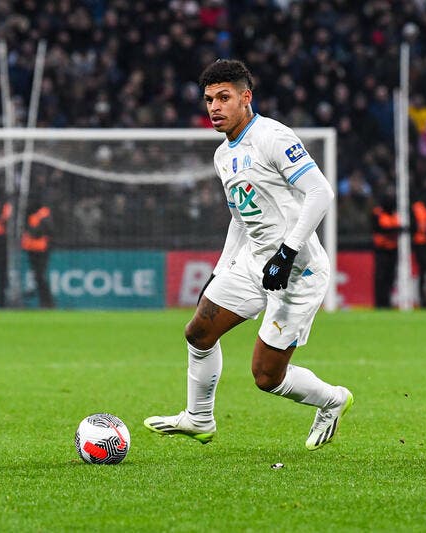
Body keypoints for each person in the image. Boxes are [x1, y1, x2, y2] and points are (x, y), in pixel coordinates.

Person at [144, 59, 352, 451]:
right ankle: (199, 418)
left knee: (266, 377)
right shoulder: (223, 156)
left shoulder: (273, 136)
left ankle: (332, 400)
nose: (214, 107)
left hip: (299, 271)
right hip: (256, 262)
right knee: (198, 332)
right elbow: (240, 219)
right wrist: (220, 271)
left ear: (246, 97)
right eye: (208, 100)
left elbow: (321, 192)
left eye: (224, 97)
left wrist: (287, 254)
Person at [21, 198, 55, 308]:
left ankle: (47, 302)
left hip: (41, 249)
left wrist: (33, 231)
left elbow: (47, 230)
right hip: (32, 248)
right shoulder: (32, 215)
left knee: (40, 276)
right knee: (38, 277)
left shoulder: (43, 214)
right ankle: (44, 301)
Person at [372, 193, 401, 308]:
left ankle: (387, 301)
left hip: (393, 250)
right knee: (381, 276)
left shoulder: (395, 214)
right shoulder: (377, 213)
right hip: (381, 250)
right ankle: (379, 302)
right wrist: (394, 230)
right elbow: (378, 228)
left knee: (390, 276)